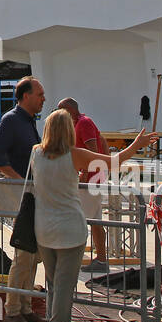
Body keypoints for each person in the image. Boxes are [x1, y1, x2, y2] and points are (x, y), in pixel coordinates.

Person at [32, 109, 155, 322]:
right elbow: (115, 161)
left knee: (53, 281)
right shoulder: (76, 155)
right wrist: (136, 145)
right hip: (70, 228)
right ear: (69, 130)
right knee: (66, 284)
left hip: (43, 227)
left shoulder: (36, 153)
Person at [0, 76, 48, 322]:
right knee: (23, 255)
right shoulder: (12, 120)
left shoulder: (28, 122)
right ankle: (12, 309)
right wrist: (20, 181)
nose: (43, 98)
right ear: (25, 97)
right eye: (39, 94)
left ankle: (24, 307)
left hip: (31, 198)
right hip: (24, 200)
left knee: (32, 255)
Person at [58, 98, 110, 273]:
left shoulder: (84, 123)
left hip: (91, 180)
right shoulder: (80, 123)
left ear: (70, 110)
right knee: (94, 220)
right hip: (94, 177)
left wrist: (86, 174)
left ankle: (76, 258)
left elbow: (93, 151)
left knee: (80, 220)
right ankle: (101, 259)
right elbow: (102, 142)